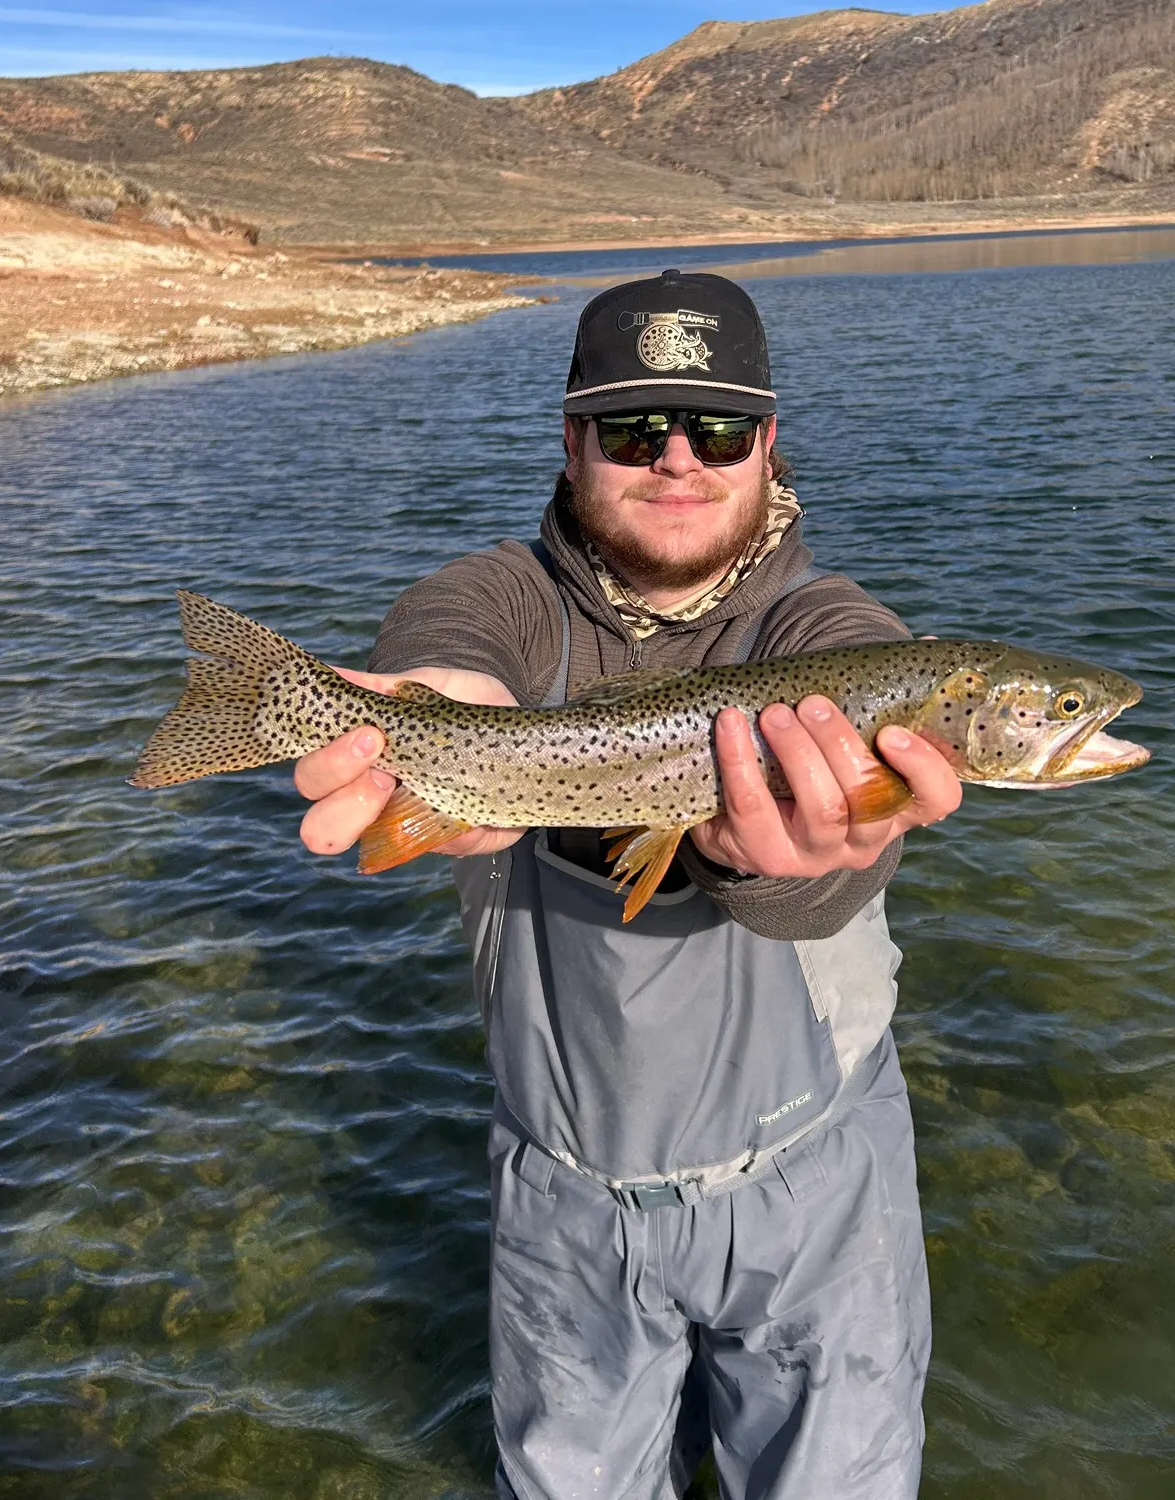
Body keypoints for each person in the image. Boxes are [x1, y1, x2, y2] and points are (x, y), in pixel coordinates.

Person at [294, 270, 962, 1499]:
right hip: (564, 1200)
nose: (676, 460)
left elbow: (826, 887)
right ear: (570, 441)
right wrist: (439, 713)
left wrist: (781, 865)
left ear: (767, 443)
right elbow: (446, 634)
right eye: (630, 427)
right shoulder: (503, 599)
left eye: (715, 428)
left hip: (820, 1188)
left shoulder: (838, 639)